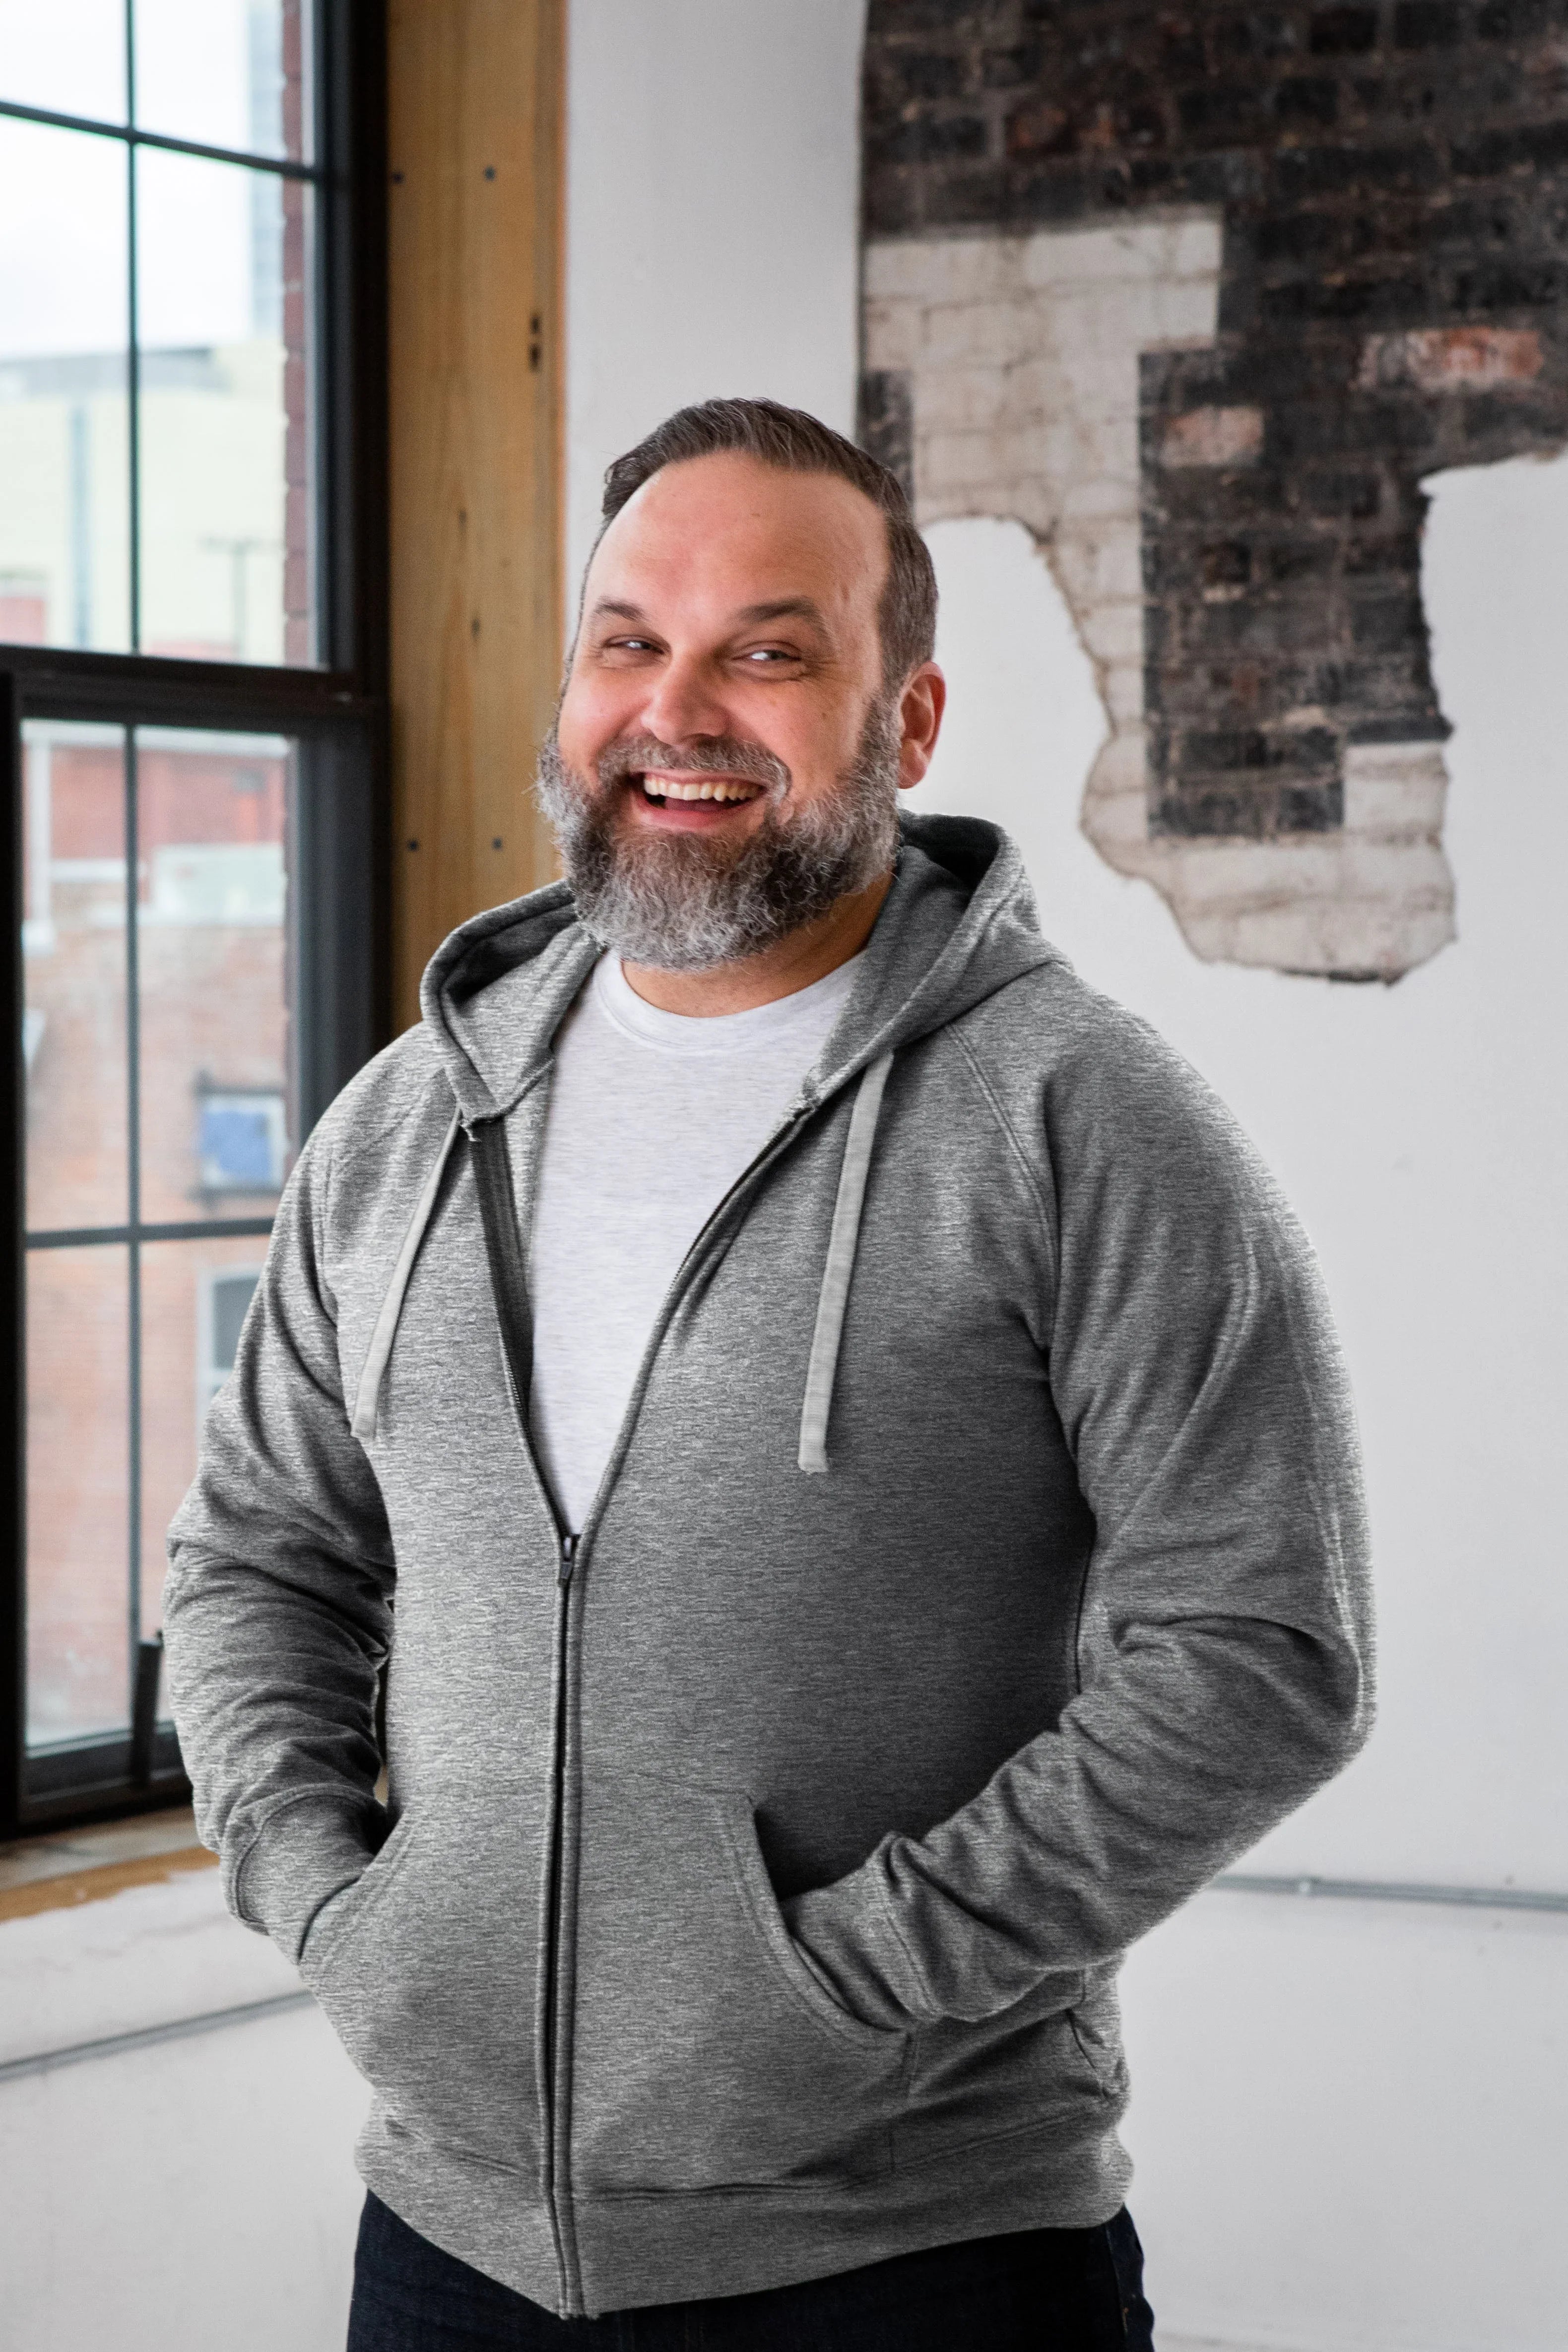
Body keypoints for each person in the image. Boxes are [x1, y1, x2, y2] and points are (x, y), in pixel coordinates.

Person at [164, 397, 1373, 2350]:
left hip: (911, 2269)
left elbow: (1262, 1648)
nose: (678, 705)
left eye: (768, 649)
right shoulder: (406, 1124)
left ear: (907, 722)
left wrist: (841, 1995)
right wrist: (336, 1912)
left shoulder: (1078, 1122)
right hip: (446, 2254)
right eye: (630, 639)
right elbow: (255, 1556)